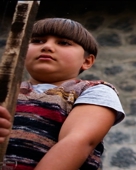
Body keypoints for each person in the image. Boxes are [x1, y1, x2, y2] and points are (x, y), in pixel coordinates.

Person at [0, 18, 125, 170]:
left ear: (87, 61)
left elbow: (77, 141)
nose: (47, 46)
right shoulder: (4, 90)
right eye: (37, 41)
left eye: (64, 43)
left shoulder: (95, 90)